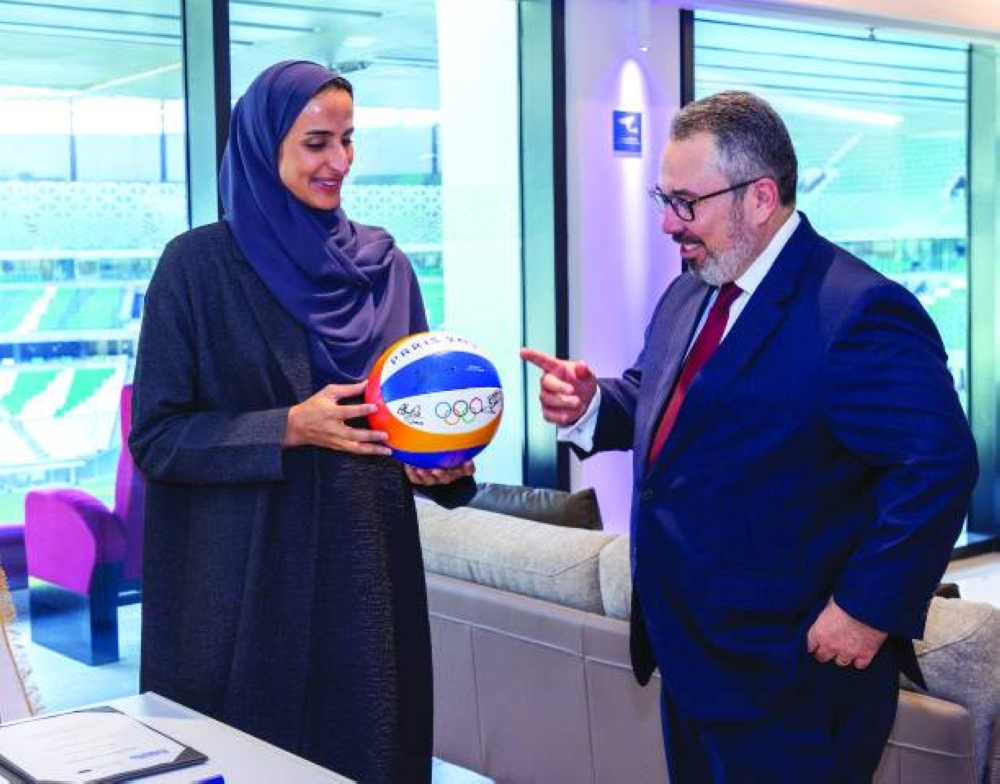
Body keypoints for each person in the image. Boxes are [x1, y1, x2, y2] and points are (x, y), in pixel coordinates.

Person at [522, 91, 977, 783]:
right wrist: (593, 405)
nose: (668, 224)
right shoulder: (693, 289)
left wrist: (864, 610)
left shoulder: (858, 309)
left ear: (760, 197)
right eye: (663, 199)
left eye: (686, 202)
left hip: (796, 676)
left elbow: (938, 466)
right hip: (691, 658)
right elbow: (660, 398)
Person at [129, 60, 474, 783]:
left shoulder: (385, 267)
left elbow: (409, 417)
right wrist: (287, 425)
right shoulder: (196, 268)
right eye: (317, 143)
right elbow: (158, 438)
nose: (339, 161)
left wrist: (438, 463)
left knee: (367, 754)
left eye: (348, 140)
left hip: (365, 580)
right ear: (265, 146)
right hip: (249, 587)